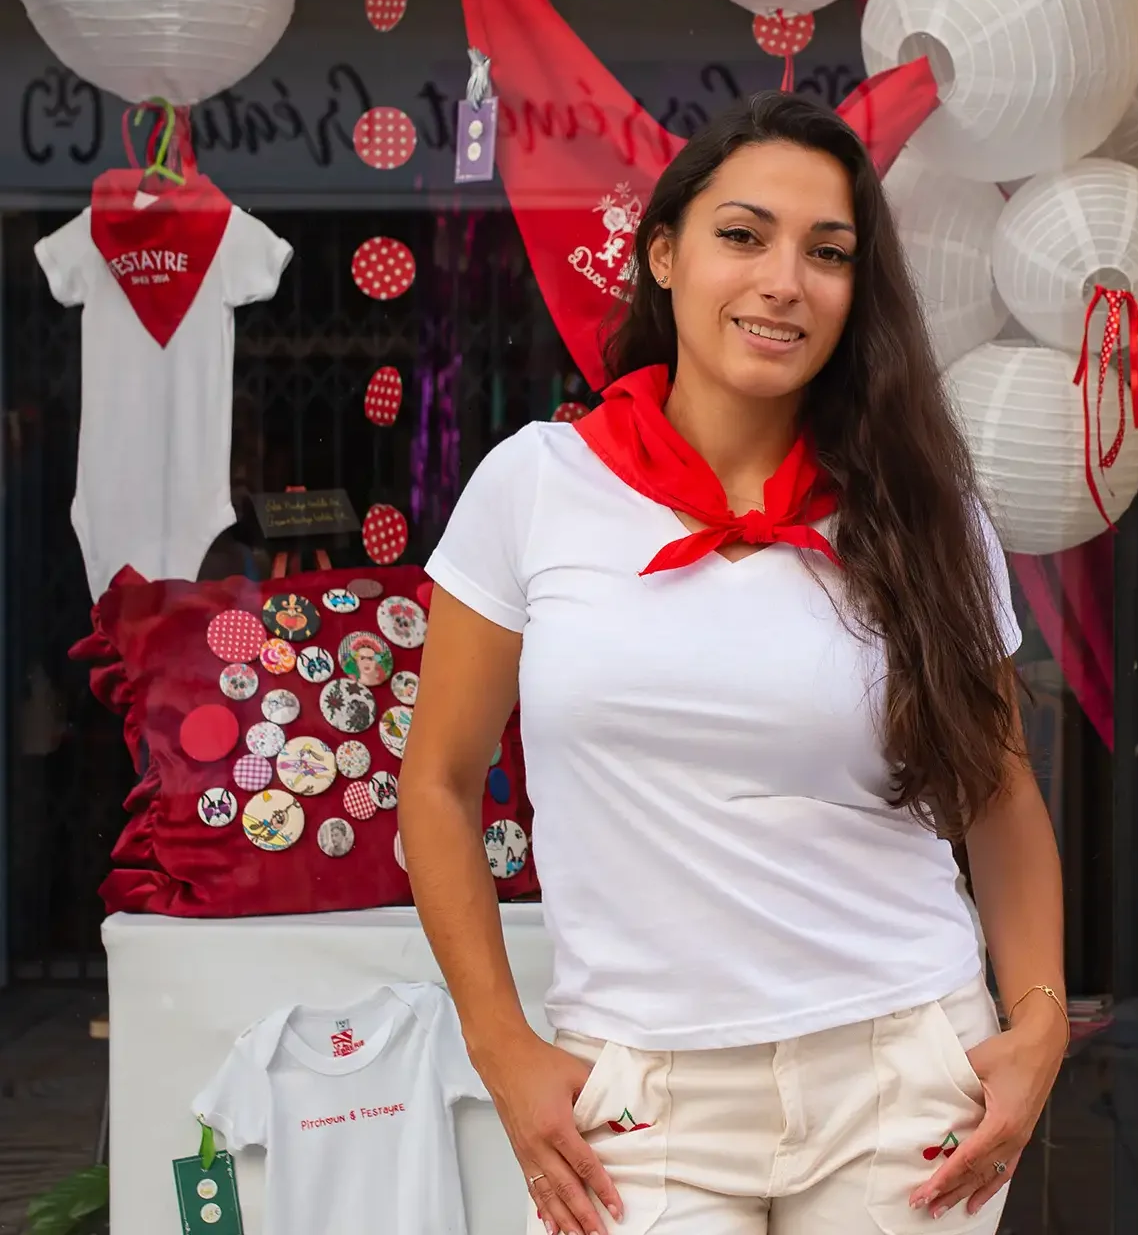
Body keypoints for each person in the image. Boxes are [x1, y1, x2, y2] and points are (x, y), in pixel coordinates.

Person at [400, 91, 1067, 1235]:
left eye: (827, 253)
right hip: (641, 1091)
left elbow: (997, 789)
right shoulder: (535, 486)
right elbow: (439, 783)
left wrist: (1038, 1020)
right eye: (741, 235)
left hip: (902, 1070)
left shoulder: (919, 507)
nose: (781, 281)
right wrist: (500, 1043)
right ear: (663, 253)